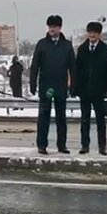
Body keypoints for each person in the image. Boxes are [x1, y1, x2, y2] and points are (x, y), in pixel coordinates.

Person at [30, 15, 76, 155]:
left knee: (61, 117)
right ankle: (42, 145)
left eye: (54, 26)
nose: (52, 29)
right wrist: (33, 83)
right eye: (50, 26)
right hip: (46, 86)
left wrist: (73, 86)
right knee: (44, 116)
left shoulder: (66, 45)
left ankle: (61, 145)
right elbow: (35, 65)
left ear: (60, 28)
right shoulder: (42, 44)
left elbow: (73, 68)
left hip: (61, 86)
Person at [75, 21, 107, 155]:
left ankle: (102, 146)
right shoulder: (82, 49)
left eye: (95, 32)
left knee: (100, 120)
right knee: (84, 119)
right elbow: (77, 70)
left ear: (99, 34)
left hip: (99, 89)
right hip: (84, 90)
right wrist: (76, 87)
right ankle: (85, 145)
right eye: (90, 32)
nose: (92, 35)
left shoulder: (105, 50)